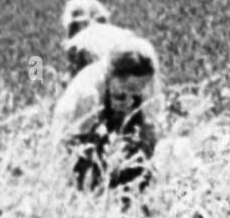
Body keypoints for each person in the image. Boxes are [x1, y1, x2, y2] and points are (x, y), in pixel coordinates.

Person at [51, 34, 163, 191]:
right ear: (114, 75)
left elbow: (150, 128)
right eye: (129, 89)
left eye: (138, 90)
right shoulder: (87, 95)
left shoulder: (124, 85)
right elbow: (74, 152)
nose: (133, 96)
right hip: (80, 158)